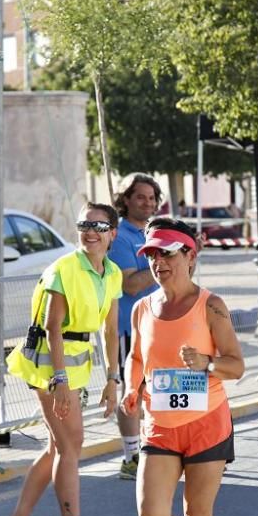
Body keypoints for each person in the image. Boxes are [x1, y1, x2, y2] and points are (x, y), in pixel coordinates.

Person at [120, 217, 245, 516]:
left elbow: (236, 366)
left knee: (198, 514)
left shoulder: (211, 305)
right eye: (153, 255)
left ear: (190, 256)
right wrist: (130, 386)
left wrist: (207, 363)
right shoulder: (142, 308)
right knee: (152, 515)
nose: (160, 263)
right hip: (159, 422)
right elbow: (136, 357)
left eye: (168, 253)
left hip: (206, 420)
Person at [0, 202, 123, 516]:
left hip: (73, 368)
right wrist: (61, 381)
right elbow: (53, 329)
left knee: (58, 446)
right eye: (84, 224)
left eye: (98, 226)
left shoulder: (111, 273)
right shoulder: (63, 269)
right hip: (48, 368)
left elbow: (111, 330)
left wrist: (113, 379)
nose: (90, 231)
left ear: (112, 233)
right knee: (70, 446)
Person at [110, 173, 161, 479]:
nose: (148, 202)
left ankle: (154, 451)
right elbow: (130, 285)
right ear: (126, 199)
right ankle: (131, 457)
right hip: (131, 327)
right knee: (134, 393)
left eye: (152, 197)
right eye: (140, 196)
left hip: (159, 325)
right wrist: (163, 261)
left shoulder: (153, 234)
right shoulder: (121, 238)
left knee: (158, 393)